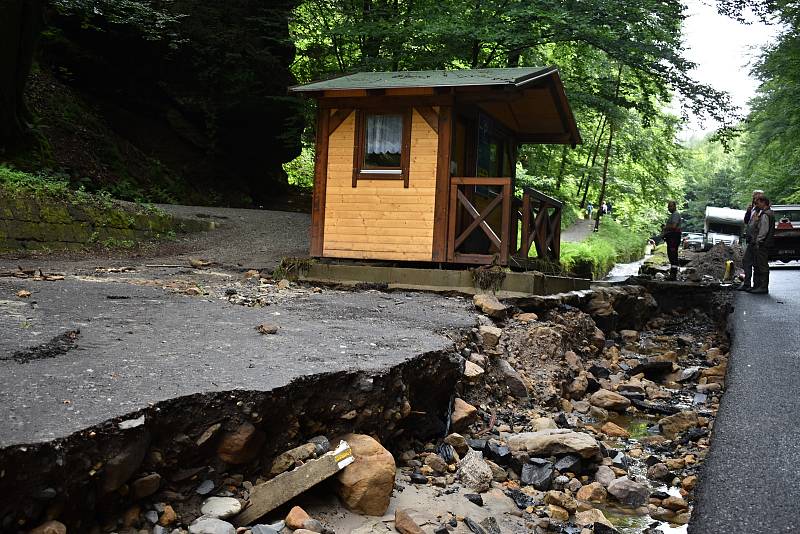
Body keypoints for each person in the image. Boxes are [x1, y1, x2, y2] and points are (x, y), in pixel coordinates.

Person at [738, 189, 764, 290]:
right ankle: (747, 284)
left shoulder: (762, 210)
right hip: (751, 239)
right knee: (746, 261)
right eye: (754, 196)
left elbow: (761, 226)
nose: (755, 198)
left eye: (757, 197)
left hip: (757, 240)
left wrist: (758, 239)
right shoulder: (753, 208)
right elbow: (746, 221)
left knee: (756, 264)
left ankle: (756, 285)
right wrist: (748, 211)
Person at [749, 194, 775, 294]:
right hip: (765, 243)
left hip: (763, 244)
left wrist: (758, 241)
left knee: (762, 265)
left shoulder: (765, 215)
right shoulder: (769, 213)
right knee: (760, 264)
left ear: (763, 202)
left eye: (758, 202)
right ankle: (760, 286)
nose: (757, 204)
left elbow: (763, 230)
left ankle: (763, 287)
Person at [662, 200, 682, 280]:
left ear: (674, 206)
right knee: (671, 254)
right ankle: (672, 274)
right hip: (671, 237)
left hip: (674, 237)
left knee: (673, 254)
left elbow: (674, 227)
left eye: (670, 206)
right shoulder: (673, 215)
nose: (669, 208)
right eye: (668, 206)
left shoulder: (675, 215)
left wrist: (665, 228)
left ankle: (673, 275)